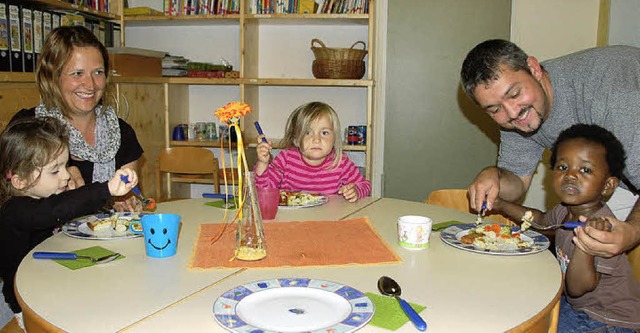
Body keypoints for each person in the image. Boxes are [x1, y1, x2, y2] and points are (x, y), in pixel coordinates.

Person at [460, 39, 640, 259]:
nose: (512, 113)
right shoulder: (517, 117)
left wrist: (632, 231)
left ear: (534, 69)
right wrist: (494, 175)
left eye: (515, 94)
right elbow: (516, 183)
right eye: (495, 109)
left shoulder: (610, 90)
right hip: (624, 177)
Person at [492, 124, 640, 331]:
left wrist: (584, 246)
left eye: (585, 170)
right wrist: (502, 205)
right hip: (579, 308)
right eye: (563, 167)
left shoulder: (602, 230)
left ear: (607, 186)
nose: (570, 175)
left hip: (608, 320)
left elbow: (578, 288)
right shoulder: (565, 210)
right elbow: (542, 221)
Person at [0, 117, 138, 325]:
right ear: (20, 181)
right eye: (55, 170)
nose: (66, 176)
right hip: (29, 304)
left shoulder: (43, 198)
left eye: (66, 165)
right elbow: (55, 210)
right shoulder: (16, 210)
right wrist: (106, 188)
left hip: (53, 281)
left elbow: (66, 211)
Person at [10, 25, 143, 212]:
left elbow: (132, 194)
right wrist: (58, 184)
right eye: (77, 73)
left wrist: (127, 199)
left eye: (98, 72)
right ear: (53, 77)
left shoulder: (122, 133)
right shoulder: (27, 127)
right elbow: (8, 196)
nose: (90, 85)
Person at [254, 101, 371, 202]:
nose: (316, 140)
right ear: (295, 138)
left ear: (334, 138)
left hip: (329, 221)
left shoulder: (341, 162)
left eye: (324, 133)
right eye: (307, 133)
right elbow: (263, 191)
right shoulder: (286, 159)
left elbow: (365, 185)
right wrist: (262, 163)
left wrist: (355, 190)